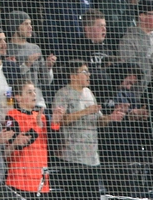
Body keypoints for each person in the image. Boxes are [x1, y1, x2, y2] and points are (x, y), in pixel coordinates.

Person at [52, 60, 126, 200]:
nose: (89, 75)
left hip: (92, 157)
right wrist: (85, 111)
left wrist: (111, 117)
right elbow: (60, 121)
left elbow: (98, 121)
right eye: (84, 71)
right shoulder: (63, 94)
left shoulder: (89, 93)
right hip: (72, 157)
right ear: (73, 76)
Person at [4, 79, 60, 197]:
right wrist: (37, 127)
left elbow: (56, 147)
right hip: (20, 180)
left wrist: (55, 123)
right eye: (29, 92)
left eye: (34, 92)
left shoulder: (42, 117)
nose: (34, 94)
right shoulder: (12, 116)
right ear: (18, 97)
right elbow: (19, 143)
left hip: (41, 181)